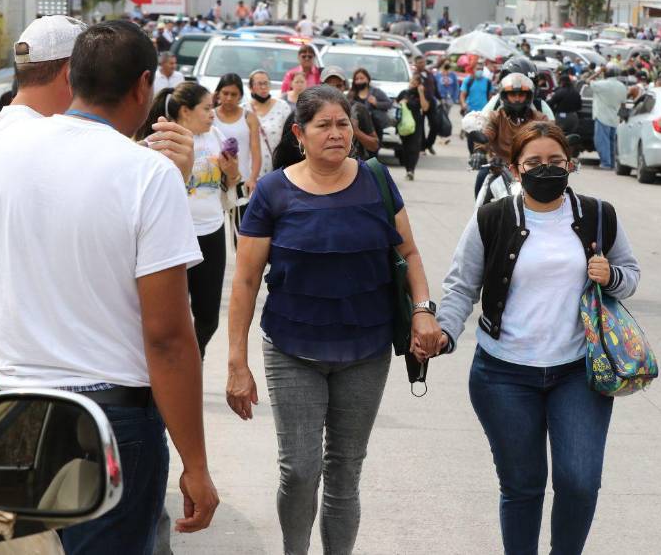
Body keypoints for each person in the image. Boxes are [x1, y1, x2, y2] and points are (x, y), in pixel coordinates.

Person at [0, 20, 219, 555]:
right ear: (142, 87)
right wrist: (196, 466)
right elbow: (169, 339)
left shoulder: (7, 144)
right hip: (107, 420)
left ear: (74, 76)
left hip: (15, 409)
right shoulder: (146, 176)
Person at [226, 84, 442, 555]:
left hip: (366, 350)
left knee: (345, 469)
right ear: (300, 133)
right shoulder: (272, 192)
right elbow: (243, 284)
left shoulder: (377, 180)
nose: (336, 133)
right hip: (291, 349)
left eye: (342, 123)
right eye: (323, 125)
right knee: (300, 470)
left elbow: (409, 252)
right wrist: (237, 363)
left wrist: (423, 310)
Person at [434, 121, 640, 555]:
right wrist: (445, 333)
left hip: (578, 372)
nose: (545, 170)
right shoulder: (492, 218)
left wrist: (612, 275)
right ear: (514, 169)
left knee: (580, 483)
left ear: (570, 164)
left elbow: (630, 275)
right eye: (533, 163)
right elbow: (461, 286)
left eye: (554, 161)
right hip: (502, 374)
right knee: (523, 486)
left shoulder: (599, 214)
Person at [137, 82, 239, 359]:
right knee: (171, 317)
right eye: (206, 108)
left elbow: (230, 183)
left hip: (211, 232)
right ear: (185, 111)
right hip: (173, 236)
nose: (212, 114)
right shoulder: (162, 139)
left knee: (209, 318)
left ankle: (193, 358)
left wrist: (232, 172)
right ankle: (172, 366)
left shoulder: (216, 136)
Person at [213, 73, 262, 194]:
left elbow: (256, 153)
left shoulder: (249, 118)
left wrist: (253, 178)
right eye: (225, 93)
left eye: (233, 94)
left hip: (242, 180)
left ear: (240, 96)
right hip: (213, 181)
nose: (229, 98)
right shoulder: (210, 116)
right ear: (218, 93)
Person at [322, 66, 379, 160]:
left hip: (354, 167)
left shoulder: (358, 109)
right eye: (329, 86)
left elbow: (374, 145)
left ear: (345, 86)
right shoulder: (314, 110)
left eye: (339, 86)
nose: (334, 90)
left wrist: (356, 131)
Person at [244, 69, 292, 173]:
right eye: (259, 84)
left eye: (266, 83)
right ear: (250, 87)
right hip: (250, 171)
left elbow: (290, 137)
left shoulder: (282, 107)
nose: (263, 87)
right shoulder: (244, 110)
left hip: (276, 168)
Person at [590, 68, 627, 170]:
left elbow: (588, 81)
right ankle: (612, 164)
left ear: (606, 75)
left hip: (602, 116)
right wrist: (622, 117)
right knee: (612, 142)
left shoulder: (602, 84)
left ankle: (605, 164)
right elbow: (623, 104)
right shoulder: (622, 86)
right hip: (615, 117)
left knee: (602, 141)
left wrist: (597, 72)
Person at [398, 75, 430, 180]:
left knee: (414, 148)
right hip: (403, 124)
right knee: (405, 148)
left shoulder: (421, 95)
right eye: (412, 82)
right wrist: (402, 103)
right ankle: (407, 169)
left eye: (415, 83)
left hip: (416, 124)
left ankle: (411, 170)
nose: (412, 85)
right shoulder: (404, 93)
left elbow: (425, 107)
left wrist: (421, 93)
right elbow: (395, 104)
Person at [348, 67, 392, 145]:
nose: (359, 81)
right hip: (356, 130)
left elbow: (389, 104)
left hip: (374, 129)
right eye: (357, 79)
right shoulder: (351, 94)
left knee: (373, 151)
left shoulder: (376, 92)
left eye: (362, 78)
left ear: (368, 79)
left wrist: (376, 103)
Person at [413, 55, 440, 154]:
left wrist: (440, 99)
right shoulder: (414, 75)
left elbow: (435, 87)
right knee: (420, 126)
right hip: (419, 102)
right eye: (419, 62)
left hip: (431, 102)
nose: (422, 64)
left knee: (435, 124)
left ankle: (429, 144)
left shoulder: (429, 73)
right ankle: (422, 147)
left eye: (423, 62)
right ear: (415, 64)